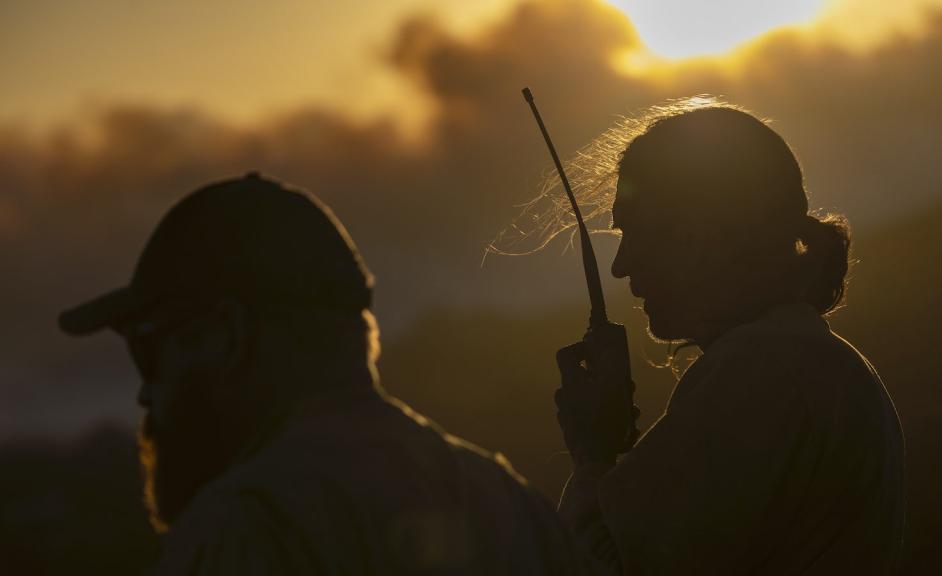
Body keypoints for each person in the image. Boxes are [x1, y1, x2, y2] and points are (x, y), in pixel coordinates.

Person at [59, 173, 602, 575]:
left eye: (149, 350)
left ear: (224, 335)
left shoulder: (248, 525)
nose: (145, 392)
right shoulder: (513, 506)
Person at [553, 105, 905, 574]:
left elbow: (606, 568)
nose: (620, 264)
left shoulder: (761, 372)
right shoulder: (820, 361)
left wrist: (592, 452)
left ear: (707, 235)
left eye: (639, 232)